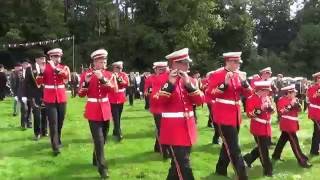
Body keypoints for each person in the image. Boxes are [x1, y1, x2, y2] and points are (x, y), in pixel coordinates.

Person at [154, 48, 204, 179]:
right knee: (184, 165)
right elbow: (157, 101)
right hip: (173, 129)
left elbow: (200, 101)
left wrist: (189, 84)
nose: (188, 66)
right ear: (174, 64)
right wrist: (170, 83)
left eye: (188, 63)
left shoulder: (190, 80)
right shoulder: (161, 79)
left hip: (188, 128)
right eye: (184, 63)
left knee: (177, 166)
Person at [206, 52, 252, 179]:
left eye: (238, 62)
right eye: (236, 62)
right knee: (234, 148)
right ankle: (242, 176)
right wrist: (224, 84)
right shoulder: (217, 74)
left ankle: (220, 169)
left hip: (236, 114)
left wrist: (245, 82)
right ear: (229, 62)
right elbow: (210, 93)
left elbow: (249, 94)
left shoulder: (239, 75)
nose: (238, 65)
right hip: (223, 114)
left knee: (228, 144)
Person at [78, 49, 117, 179]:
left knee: (104, 138)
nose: (104, 63)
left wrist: (102, 79)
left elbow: (112, 90)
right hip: (93, 109)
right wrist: (87, 82)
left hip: (105, 109)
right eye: (101, 61)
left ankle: (96, 158)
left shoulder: (109, 74)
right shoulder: (86, 74)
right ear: (95, 62)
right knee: (99, 140)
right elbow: (81, 94)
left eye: (105, 61)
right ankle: (102, 168)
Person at [36, 48, 69, 156]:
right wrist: (41, 72)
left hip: (61, 97)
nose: (57, 58)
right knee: (53, 122)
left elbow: (65, 77)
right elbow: (38, 83)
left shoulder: (64, 67)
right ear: (50, 57)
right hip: (49, 98)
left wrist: (54, 67)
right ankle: (55, 146)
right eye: (55, 57)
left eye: (58, 56)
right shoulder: (44, 68)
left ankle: (58, 138)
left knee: (60, 121)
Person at [272, 84, 312, 168]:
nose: (295, 94)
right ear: (288, 93)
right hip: (287, 124)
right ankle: (301, 160)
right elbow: (281, 111)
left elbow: (300, 110)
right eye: (294, 92)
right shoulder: (281, 100)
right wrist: (291, 105)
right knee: (294, 142)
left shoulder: (295, 99)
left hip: (292, 123)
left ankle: (275, 155)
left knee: (282, 139)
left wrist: (297, 105)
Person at [243, 81, 274, 177]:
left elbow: (272, 111)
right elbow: (250, 114)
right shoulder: (251, 99)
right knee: (263, 149)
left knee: (263, 146)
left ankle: (248, 158)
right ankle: (268, 170)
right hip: (258, 127)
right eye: (266, 91)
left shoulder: (267, 97)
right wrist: (260, 108)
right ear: (260, 90)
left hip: (266, 126)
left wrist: (270, 108)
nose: (268, 93)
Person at [144, 61, 170, 158]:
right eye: (158, 69)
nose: (160, 71)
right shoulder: (151, 78)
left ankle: (158, 147)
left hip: (166, 105)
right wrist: (149, 91)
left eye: (162, 69)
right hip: (157, 105)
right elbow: (146, 90)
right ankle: (164, 151)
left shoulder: (167, 76)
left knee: (162, 128)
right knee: (161, 128)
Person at [25, 51, 48, 140]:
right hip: (34, 95)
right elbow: (26, 83)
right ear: (36, 60)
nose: (43, 61)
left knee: (45, 114)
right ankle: (37, 133)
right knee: (37, 115)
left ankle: (44, 131)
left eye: (44, 59)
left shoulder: (47, 68)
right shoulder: (30, 69)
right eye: (41, 59)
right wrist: (26, 95)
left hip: (45, 94)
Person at [108, 61, 129, 141]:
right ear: (114, 68)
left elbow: (126, 84)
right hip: (112, 97)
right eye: (119, 68)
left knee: (118, 116)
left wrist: (119, 78)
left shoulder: (123, 75)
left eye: (121, 67)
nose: (121, 69)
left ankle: (115, 130)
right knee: (115, 116)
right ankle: (119, 133)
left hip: (120, 97)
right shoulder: (110, 74)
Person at [307, 72, 320, 156]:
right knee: (317, 131)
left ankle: (315, 150)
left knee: (317, 131)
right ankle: (314, 150)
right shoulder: (312, 88)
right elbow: (312, 98)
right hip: (315, 111)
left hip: (318, 111)